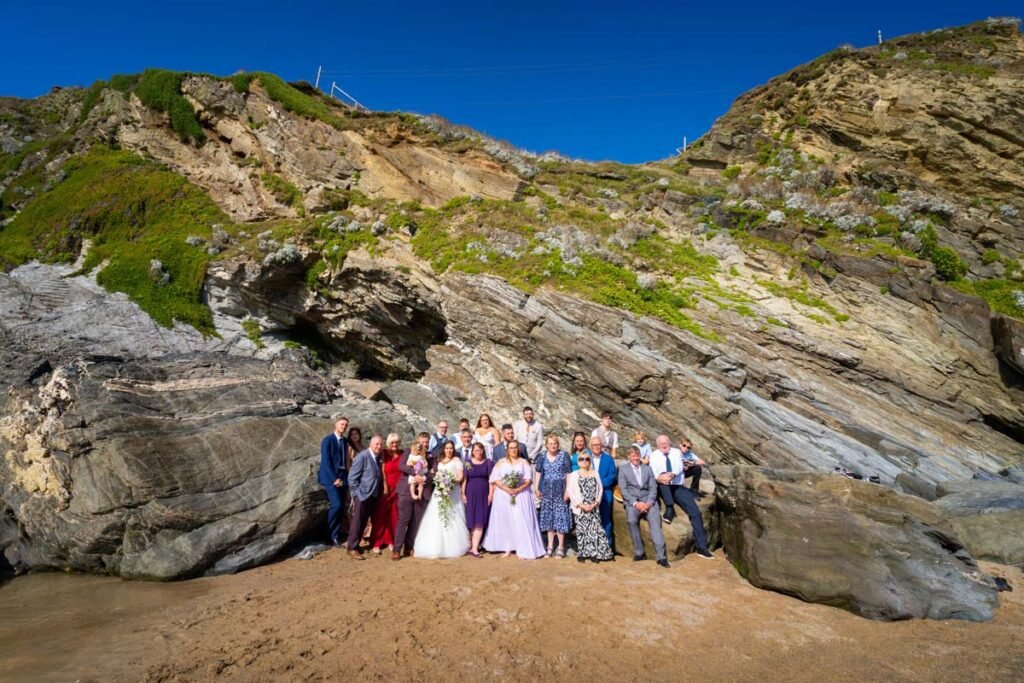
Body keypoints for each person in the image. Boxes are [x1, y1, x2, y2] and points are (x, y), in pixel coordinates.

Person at [649, 435, 714, 560]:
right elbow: (653, 469)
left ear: (670, 442)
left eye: (666, 442)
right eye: (661, 443)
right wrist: (659, 477)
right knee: (663, 483)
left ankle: (702, 547)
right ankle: (669, 508)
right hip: (662, 484)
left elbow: (679, 466)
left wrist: (672, 474)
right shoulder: (655, 455)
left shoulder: (676, 453)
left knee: (695, 512)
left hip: (677, 485)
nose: (664, 444)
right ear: (657, 444)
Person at [482, 441, 546, 559]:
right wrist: (506, 488)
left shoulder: (523, 462)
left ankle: (521, 546)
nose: (513, 450)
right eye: (511, 448)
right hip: (503, 495)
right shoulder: (501, 462)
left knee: (520, 519)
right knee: (506, 521)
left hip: (521, 495)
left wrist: (517, 489)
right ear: (507, 449)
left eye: (515, 448)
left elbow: (528, 480)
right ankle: (508, 547)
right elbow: (495, 478)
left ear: (518, 449)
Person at [414, 441, 470, 559]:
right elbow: (436, 474)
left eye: (451, 448)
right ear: (444, 449)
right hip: (439, 491)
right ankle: (435, 547)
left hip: (452, 491)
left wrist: (450, 481)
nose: (449, 450)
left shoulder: (457, 460)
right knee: (437, 516)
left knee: (452, 515)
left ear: (453, 449)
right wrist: (440, 480)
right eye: (447, 448)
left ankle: (452, 547)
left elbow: (460, 477)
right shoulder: (440, 461)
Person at [619, 445, 670, 568]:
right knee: (631, 520)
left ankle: (661, 557)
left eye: (637, 455)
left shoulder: (647, 469)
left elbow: (653, 487)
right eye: (633, 456)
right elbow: (623, 489)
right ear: (629, 456)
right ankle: (639, 552)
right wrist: (636, 503)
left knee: (655, 523)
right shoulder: (623, 469)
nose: (636, 458)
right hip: (633, 502)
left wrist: (649, 502)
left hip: (648, 501)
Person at [393, 432, 437, 560]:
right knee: (403, 520)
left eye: (427, 442)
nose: (424, 444)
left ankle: (409, 547)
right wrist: (415, 473)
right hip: (406, 491)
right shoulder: (408, 451)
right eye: (422, 442)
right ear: (417, 442)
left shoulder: (431, 456)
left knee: (416, 522)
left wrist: (424, 477)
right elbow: (401, 466)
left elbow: (433, 473)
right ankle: (396, 549)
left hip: (423, 493)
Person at [565, 450, 613, 563]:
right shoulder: (574, 474)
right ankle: (583, 553)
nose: (584, 461)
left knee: (595, 530)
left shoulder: (595, 473)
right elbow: (570, 491)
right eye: (582, 459)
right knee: (582, 531)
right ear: (578, 461)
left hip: (593, 507)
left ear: (590, 461)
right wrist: (580, 505)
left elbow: (600, 489)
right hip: (581, 507)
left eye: (587, 459)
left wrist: (596, 503)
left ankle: (595, 553)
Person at [575, 435, 617, 553]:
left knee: (605, 520)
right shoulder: (586, 457)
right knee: (590, 521)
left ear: (602, 446)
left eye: (598, 445)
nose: (596, 447)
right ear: (590, 446)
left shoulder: (609, 459)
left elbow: (612, 476)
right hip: (587, 495)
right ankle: (591, 548)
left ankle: (607, 548)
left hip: (605, 494)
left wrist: (598, 483)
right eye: (594, 445)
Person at [534, 435, 573, 558]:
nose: (553, 445)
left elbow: (568, 474)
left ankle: (561, 547)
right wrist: (536, 487)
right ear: (546, 445)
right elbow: (538, 473)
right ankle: (550, 546)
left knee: (560, 519)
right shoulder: (542, 456)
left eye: (555, 443)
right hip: (546, 491)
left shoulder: (564, 455)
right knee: (549, 519)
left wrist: (567, 490)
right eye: (550, 443)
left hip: (560, 490)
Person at [346, 434, 384, 559]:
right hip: (362, 496)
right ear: (371, 444)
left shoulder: (377, 457)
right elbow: (352, 478)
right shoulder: (362, 457)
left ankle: (356, 546)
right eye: (376, 444)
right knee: (357, 522)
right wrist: (358, 494)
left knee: (363, 522)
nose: (379, 446)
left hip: (372, 495)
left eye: (380, 444)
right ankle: (352, 548)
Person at [317, 417, 349, 547]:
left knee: (341, 508)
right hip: (330, 477)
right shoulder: (328, 440)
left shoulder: (345, 441)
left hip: (343, 476)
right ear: (336, 424)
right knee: (336, 505)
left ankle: (335, 534)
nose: (343, 426)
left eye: (346, 425)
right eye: (342, 424)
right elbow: (326, 461)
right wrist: (334, 479)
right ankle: (328, 534)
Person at [369, 433, 402, 554]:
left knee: (394, 516)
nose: (395, 444)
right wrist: (385, 486)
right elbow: (382, 470)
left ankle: (391, 540)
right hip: (385, 489)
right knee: (380, 516)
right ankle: (377, 542)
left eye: (397, 442)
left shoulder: (403, 453)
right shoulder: (384, 453)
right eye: (392, 442)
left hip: (398, 489)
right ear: (388, 443)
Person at [461, 442, 494, 557]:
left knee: (480, 520)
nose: (478, 452)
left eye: (480, 450)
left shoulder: (488, 463)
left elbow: (491, 480)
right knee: (471, 520)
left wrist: (491, 494)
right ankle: (471, 546)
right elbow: (465, 479)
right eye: (475, 450)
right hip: (470, 493)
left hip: (483, 493)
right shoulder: (468, 463)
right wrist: (463, 494)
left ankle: (475, 548)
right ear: (472, 451)